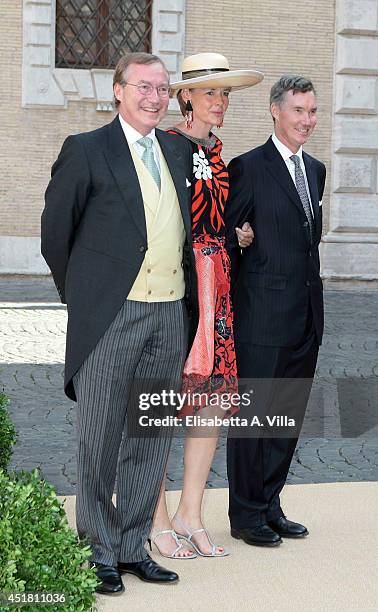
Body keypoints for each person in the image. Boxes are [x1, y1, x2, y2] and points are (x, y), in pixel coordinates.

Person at [41, 52, 200, 595]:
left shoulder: (179, 152)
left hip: (168, 314)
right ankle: (97, 549)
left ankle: (134, 546)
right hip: (113, 316)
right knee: (100, 438)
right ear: (118, 90)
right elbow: (55, 234)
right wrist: (85, 300)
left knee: (149, 436)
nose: (155, 97)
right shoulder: (86, 150)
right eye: (144, 87)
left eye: (162, 89)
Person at [149, 53, 263, 559]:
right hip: (177, 287)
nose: (221, 103)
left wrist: (235, 236)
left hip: (217, 283)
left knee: (212, 396)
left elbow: (214, 218)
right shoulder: (163, 147)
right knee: (160, 399)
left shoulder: (217, 153)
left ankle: (191, 511)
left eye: (226, 95)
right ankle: (154, 518)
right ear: (186, 97)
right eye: (212, 93)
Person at [225, 75, 326, 547]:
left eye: (311, 111)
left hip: (306, 317)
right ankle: (245, 515)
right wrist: (239, 239)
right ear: (275, 111)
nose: (307, 120)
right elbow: (225, 238)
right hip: (261, 317)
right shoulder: (247, 167)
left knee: (284, 418)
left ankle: (270, 504)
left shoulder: (318, 171)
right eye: (298, 111)